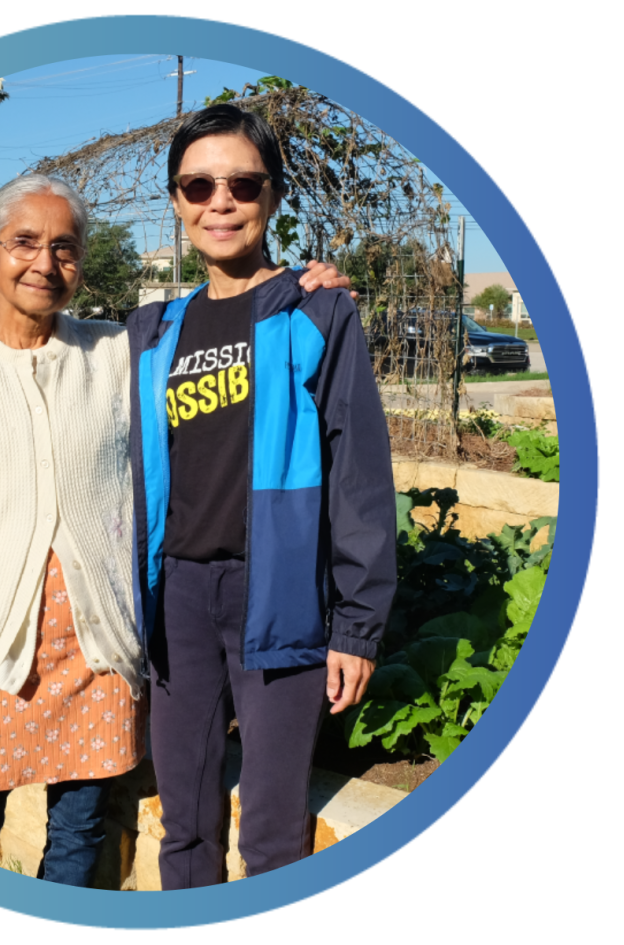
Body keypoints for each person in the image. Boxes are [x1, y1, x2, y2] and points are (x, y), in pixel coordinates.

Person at [0, 172, 354, 886]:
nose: (45, 263)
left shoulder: (114, 354)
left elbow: (216, 327)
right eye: (25, 243)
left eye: (64, 247)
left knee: (80, 833)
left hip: (97, 653)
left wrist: (301, 292)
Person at [126, 104, 398, 889]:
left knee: (275, 838)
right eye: (198, 185)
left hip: (277, 593)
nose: (221, 201)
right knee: (185, 828)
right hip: (176, 598)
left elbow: (358, 474)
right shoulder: (151, 332)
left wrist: (358, 624)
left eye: (242, 183)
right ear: (176, 202)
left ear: (272, 195)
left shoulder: (317, 311)